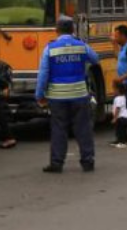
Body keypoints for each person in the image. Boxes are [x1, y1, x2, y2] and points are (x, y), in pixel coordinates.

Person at [36, 16, 100, 173]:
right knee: (83, 128)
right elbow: (95, 59)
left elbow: (43, 74)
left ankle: (57, 163)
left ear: (57, 30)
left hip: (57, 96)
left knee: (59, 129)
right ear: (73, 30)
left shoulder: (50, 48)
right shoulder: (81, 46)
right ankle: (88, 161)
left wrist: (39, 95)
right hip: (79, 94)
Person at [110, 82, 127, 148]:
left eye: (114, 90)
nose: (113, 91)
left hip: (121, 118)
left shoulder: (118, 98)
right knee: (124, 131)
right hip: (125, 117)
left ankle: (122, 143)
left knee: (120, 131)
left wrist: (115, 118)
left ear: (118, 90)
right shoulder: (123, 97)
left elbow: (118, 109)